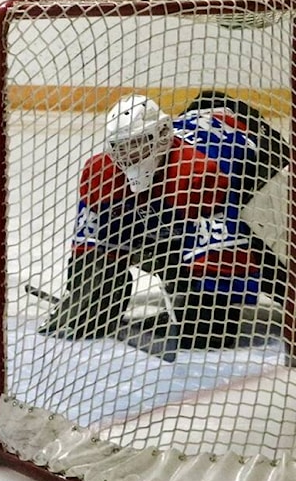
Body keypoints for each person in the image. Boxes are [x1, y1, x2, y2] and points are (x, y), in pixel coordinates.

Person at [39, 93, 289, 350]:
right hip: (197, 152)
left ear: (161, 136)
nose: (132, 156)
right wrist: (85, 295)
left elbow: (223, 257)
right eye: (123, 148)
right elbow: (93, 245)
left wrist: (200, 315)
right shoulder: (103, 175)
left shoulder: (197, 175)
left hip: (254, 151)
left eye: (140, 144)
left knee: (209, 330)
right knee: (151, 235)